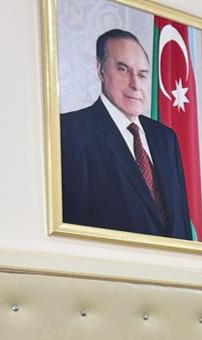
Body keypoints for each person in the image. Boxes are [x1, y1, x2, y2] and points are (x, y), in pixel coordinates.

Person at [59, 28, 194, 239]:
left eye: (142, 74)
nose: (135, 84)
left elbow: (182, 225)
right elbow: (73, 231)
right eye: (123, 70)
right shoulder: (71, 131)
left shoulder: (166, 138)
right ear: (100, 69)